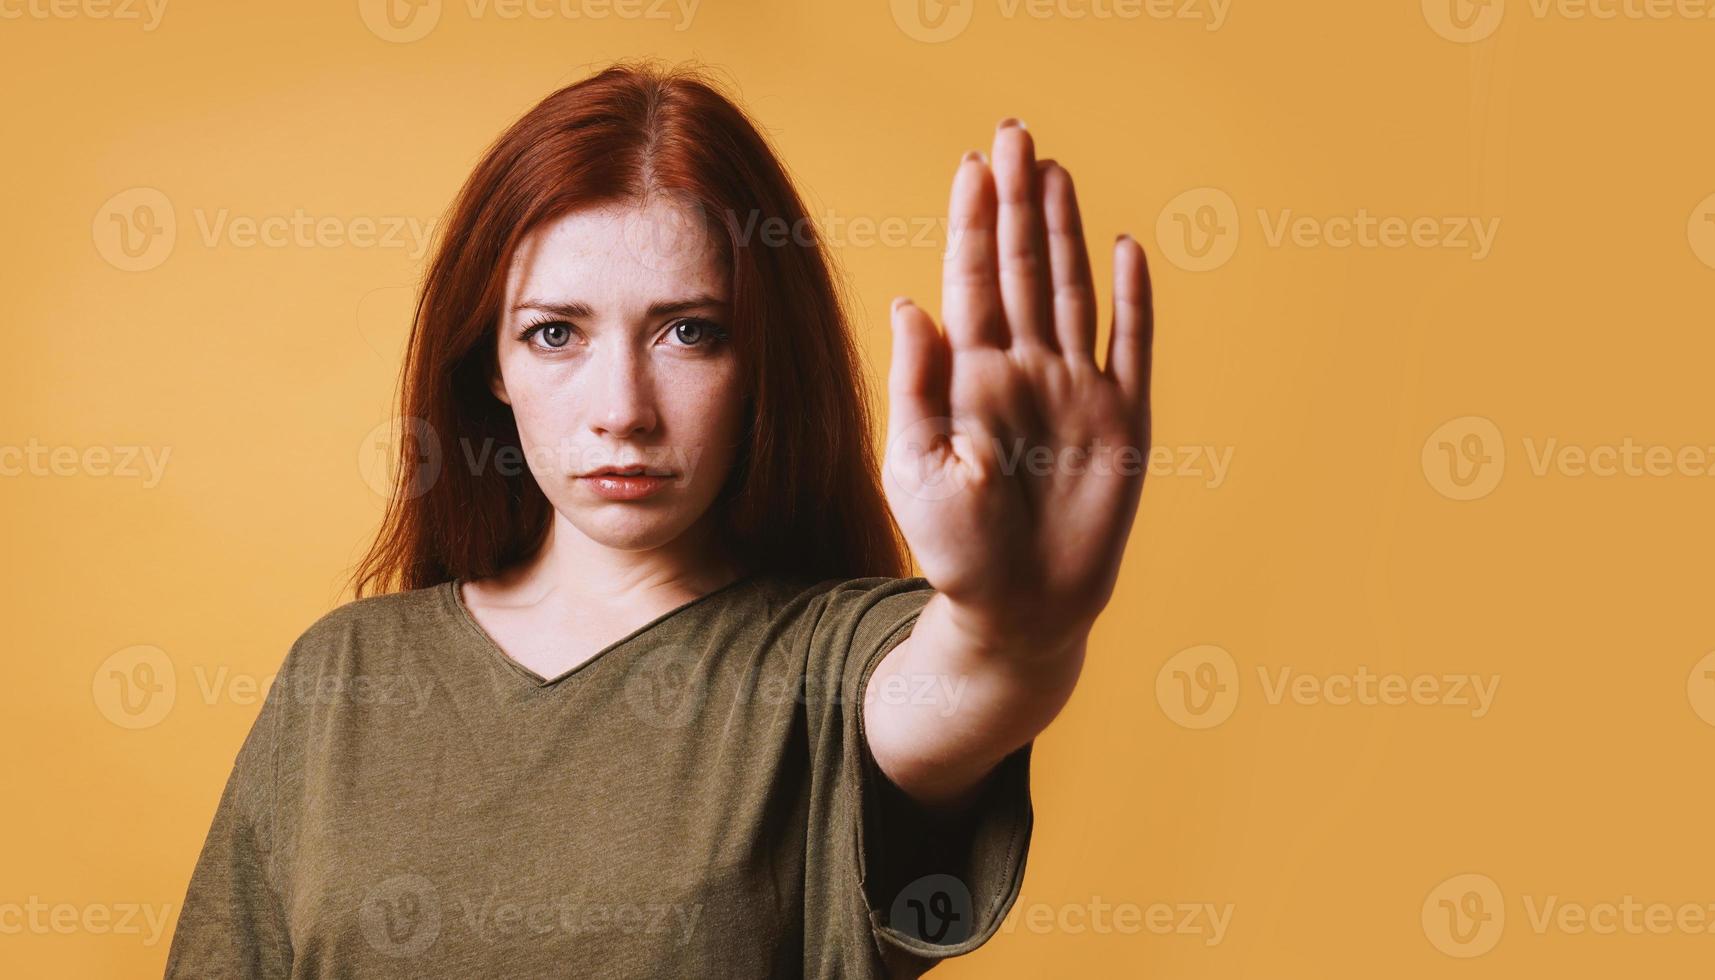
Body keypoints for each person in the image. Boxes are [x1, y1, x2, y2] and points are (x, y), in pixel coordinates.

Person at [163, 59, 1152, 979]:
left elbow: (963, 684)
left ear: (762, 357)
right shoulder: (343, 673)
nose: (622, 408)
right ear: (491, 367)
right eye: (555, 333)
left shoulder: (827, 664)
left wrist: (1014, 626)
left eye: (690, 331)